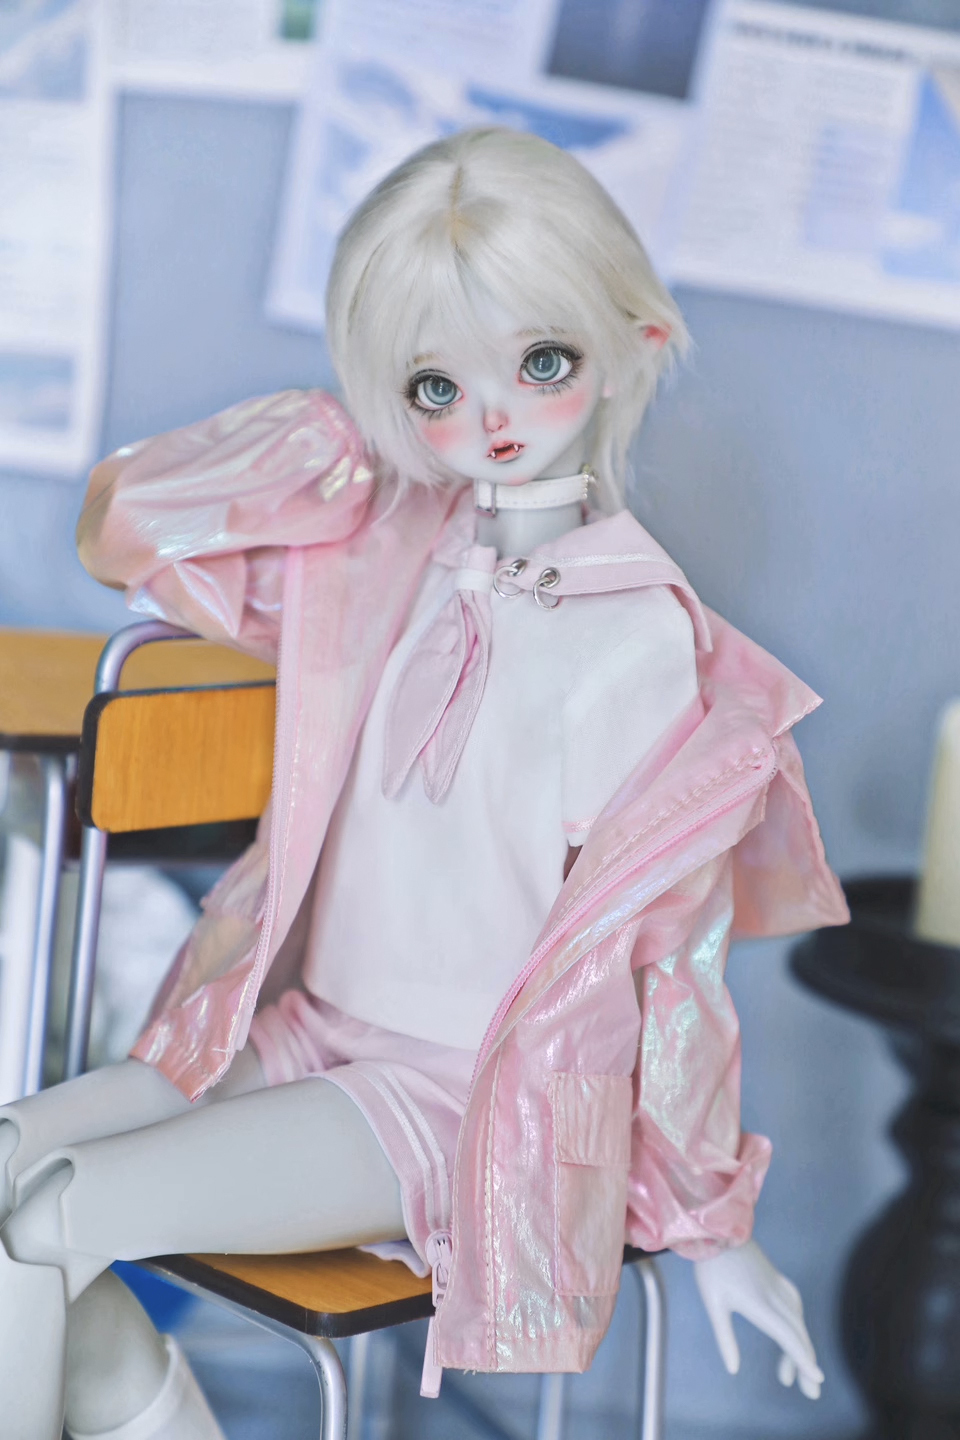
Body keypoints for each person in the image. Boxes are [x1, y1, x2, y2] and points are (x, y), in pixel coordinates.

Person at [0, 128, 846, 1439]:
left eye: (542, 362)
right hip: (299, 1029)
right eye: (437, 385)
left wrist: (712, 1224)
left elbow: (674, 962)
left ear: (634, 343)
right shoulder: (393, 542)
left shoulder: (642, 640)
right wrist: (344, 430)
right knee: (10, 1174)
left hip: (454, 1098)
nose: (490, 418)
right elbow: (133, 530)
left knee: (48, 1218)